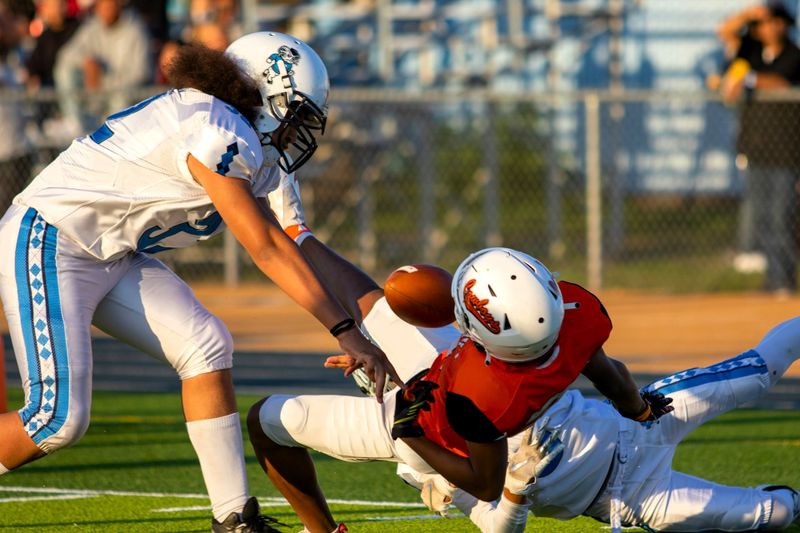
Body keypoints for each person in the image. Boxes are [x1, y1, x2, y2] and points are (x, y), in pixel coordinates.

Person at [0, 32, 399, 533]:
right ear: (265, 95)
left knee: (205, 344)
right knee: (56, 419)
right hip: (51, 237)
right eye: (295, 115)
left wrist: (382, 326)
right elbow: (266, 248)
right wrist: (345, 331)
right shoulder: (217, 127)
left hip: (112, 252)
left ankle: (233, 519)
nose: (299, 132)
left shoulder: (249, 146)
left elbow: (297, 243)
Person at [246, 245, 673, 533]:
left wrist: (405, 431)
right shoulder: (573, 320)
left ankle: (332, 526)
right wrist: (639, 411)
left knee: (265, 419)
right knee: (379, 305)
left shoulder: (480, 391)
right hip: (447, 394)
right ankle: (434, 476)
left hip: (427, 429)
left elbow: (483, 482)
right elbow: (609, 374)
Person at [411, 314, 800, 532]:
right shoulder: (419, 452)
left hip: (637, 423)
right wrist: (513, 491)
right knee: (774, 513)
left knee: (757, 372)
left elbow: (594, 364)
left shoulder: (480, 369)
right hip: (630, 498)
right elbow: (496, 528)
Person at [716, 1, 800, 294]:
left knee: (782, 217)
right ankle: (771, 281)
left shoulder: (794, 54)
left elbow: (780, 82)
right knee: (762, 217)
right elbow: (725, 31)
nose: (769, 28)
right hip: (755, 147)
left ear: (785, 25)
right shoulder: (751, 51)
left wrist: (745, 78)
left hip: (787, 151)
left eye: (776, 22)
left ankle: (785, 281)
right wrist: (750, 14)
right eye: (765, 23)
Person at [52, 0, 151, 136]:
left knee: (120, 96)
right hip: (95, 93)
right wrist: (87, 62)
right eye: (102, 5)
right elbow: (66, 56)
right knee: (65, 71)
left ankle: (114, 137)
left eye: (110, 4)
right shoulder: (92, 26)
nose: (106, 9)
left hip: (124, 95)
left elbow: (141, 74)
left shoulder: (135, 29)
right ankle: (75, 123)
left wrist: (104, 82)